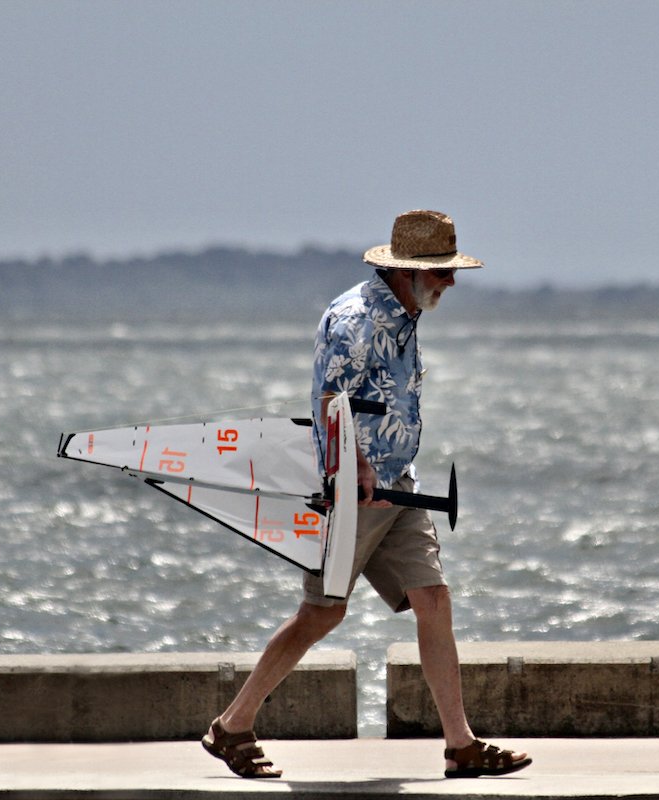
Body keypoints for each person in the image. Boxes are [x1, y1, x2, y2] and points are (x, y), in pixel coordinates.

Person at [200, 210, 532, 780]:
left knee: (434, 600)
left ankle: (461, 746)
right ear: (408, 271)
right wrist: (354, 467)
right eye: (443, 273)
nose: (451, 282)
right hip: (348, 494)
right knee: (321, 615)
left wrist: (384, 469)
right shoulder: (352, 319)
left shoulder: (406, 313)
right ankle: (232, 726)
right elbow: (331, 401)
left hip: (397, 487)